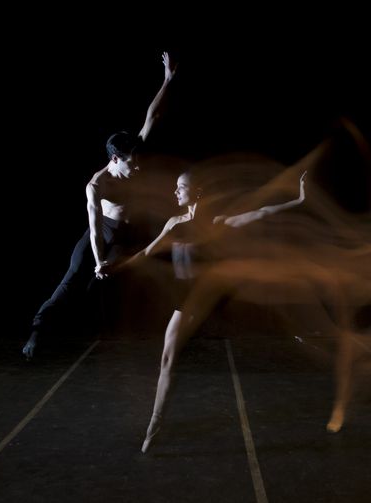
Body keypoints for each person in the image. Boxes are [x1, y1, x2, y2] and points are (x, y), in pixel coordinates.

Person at [137, 167, 307, 453]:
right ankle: (156, 423)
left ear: (198, 191)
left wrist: (298, 201)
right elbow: (147, 252)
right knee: (167, 358)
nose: (175, 191)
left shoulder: (215, 223)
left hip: (206, 297)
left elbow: (260, 213)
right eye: (176, 186)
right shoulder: (174, 222)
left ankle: (301, 328)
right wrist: (111, 267)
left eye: (181, 186)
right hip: (184, 298)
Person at [22, 52, 177, 360]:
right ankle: (38, 329)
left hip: (131, 233)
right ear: (114, 159)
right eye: (131, 164)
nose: (137, 168)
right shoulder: (97, 185)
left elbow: (152, 117)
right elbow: (94, 230)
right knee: (74, 277)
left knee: (126, 275)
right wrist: (99, 260)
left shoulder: (134, 154)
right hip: (105, 233)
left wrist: (167, 80)